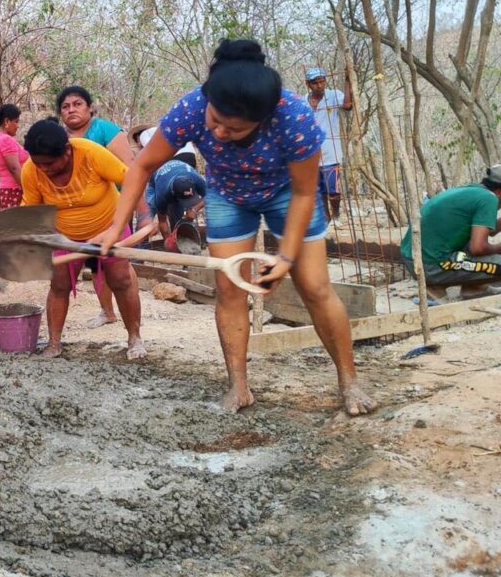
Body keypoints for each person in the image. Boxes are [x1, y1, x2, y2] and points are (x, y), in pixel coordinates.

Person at [99, 39, 377, 416]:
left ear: (262, 120)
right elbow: (143, 166)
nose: (218, 133)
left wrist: (285, 257)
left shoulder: (294, 118)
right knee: (229, 291)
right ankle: (238, 387)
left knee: (314, 286)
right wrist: (117, 226)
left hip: (287, 194)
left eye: (233, 129)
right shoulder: (191, 107)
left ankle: (349, 381)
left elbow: (303, 192)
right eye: (214, 121)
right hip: (228, 195)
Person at [21, 119, 145, 360]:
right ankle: (54, 344)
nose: (44, 169)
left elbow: (131, 180)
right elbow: (32, 211)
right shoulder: (31, 171)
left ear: (67, 151)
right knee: (59, 285)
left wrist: (144, 215)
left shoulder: (90, 153)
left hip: (109, 228)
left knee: (121, 280)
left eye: (49, 163)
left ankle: (134, 338)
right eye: (38, 163)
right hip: (64, 237)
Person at [57, 85, 140, 329]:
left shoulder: (105, 130)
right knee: (95, 264)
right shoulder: (60, 139)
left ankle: (133, 320)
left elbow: (131, 167)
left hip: (114, 209)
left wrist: (135, 207)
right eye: (65, 106)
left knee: (119, 266)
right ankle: (107, 311)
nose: (71, 110)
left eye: (77, 104)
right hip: (79, 214)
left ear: (90, 108)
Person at [400, 168, 501, 299]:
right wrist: (498, 248)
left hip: (415, 258)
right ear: (499, 191)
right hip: (430, 266)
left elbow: (486, 231)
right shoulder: (489, 198)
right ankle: (436, 287)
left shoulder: (472, 191)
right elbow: (477, 248)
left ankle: (474, 288)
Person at [305, 66, 353, 227]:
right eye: (315, 83)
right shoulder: (303, 101)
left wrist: (348, 81)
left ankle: (336, 215)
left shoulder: (333, 96)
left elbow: (348, 105)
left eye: (322, 81)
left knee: (332, 188)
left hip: (331, 151)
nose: (319, 85)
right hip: (311, 152)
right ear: (308, 84)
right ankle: (326, 217)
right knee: (318, 189)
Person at [145, 145, 207, 252]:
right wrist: (169, 242)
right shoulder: (162, 194)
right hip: (156, 180)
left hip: (177, 170)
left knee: (177, 219)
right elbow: (162, 221)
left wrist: (194, 209)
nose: (188, 204)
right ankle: (141, 249)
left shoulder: (196, 179)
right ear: (173, 193)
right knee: (146, 216)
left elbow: (210, 195)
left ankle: (180, 242)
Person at [0, 104, 29, 210]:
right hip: (15, 191)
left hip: (8, 191)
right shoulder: (6, 140)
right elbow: (14, 168)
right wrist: (28, 189)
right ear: (6, 121)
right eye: (16, 121)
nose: (18, 126)